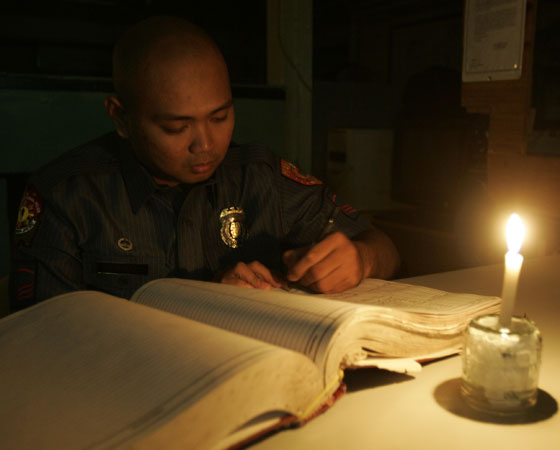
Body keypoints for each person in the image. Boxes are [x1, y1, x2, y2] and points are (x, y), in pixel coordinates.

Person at [10, 16, 400, 312]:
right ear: (121, 118)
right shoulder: (68, 196)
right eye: (176, 127)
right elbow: (41, 335)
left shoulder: (260, 178)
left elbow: (383, 245)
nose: (206, 145)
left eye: (219, 118)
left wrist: (360, 260)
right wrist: (203, 304)